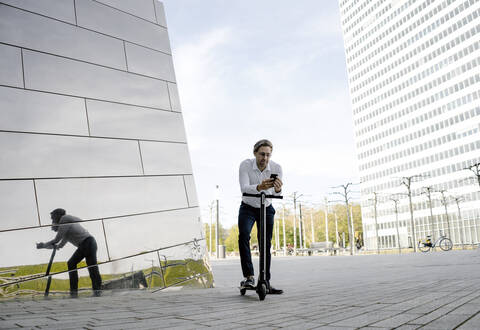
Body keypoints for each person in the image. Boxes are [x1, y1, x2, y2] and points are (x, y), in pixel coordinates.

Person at [238, 139, 283, 294]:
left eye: (268, 155)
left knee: (265, 243)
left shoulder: (276, 168)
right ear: (255, 153)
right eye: (262, 154)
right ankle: (249, 276)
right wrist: (259, 187)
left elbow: (278, 192)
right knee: (244, 235)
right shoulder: (245, 165)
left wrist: (277, 189)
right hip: (248, 207)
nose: (265, 158)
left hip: (267, 207)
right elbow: (244, 187)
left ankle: (265, 280)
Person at [36, 208, 102, 298]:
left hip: (87, 243)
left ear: (58, 216)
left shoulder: (65, 219)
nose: (52, 221)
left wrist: (43, 245)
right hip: (88, 243)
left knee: (75, 264)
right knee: (91, 266)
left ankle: (75, 292)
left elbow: (56, 240)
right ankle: (96, 291)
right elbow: (59, 245)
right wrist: (44, 247)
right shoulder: (66, 229)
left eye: (53, 218)